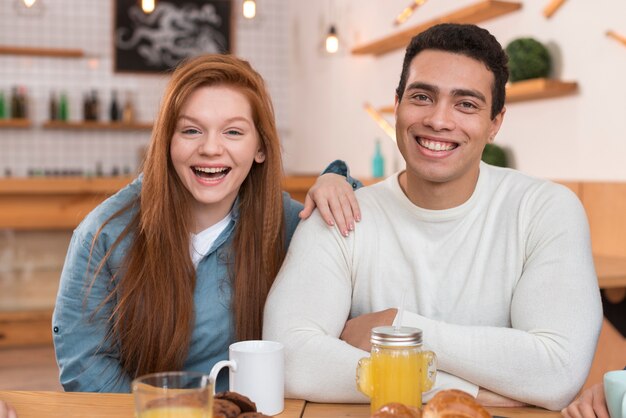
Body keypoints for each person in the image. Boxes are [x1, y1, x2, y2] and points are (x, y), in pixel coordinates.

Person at [263, 23, 602, 411]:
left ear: (495, 123)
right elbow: (288, 359)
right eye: (422, 97)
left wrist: (397, 326)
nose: (439, 120)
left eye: (467, 104)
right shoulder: (340, 212)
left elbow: (557, 370)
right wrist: (461, 391)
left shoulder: (545, 210)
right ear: (397, 105)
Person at [52, 54, 361, 393]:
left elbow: (367, 243)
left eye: (233, 131)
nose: (211, 148)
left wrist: (337, 179)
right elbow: (85, 363)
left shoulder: (288, 223)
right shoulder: (105, 233)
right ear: (167, 142)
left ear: (260, 147)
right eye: (191, 130)